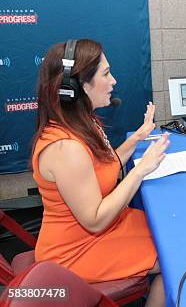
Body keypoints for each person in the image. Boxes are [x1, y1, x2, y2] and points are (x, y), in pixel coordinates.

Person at [31, 39, 169, 307]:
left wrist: (137, 139)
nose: (114, 81)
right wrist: (140, 170)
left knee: (169, 230)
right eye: (106, 74)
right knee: (175, 255)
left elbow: (104, 168)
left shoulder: (83, 121)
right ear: (79, 86)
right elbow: (94, 220)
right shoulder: (65, 148)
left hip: (102, 230)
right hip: (76, 251)